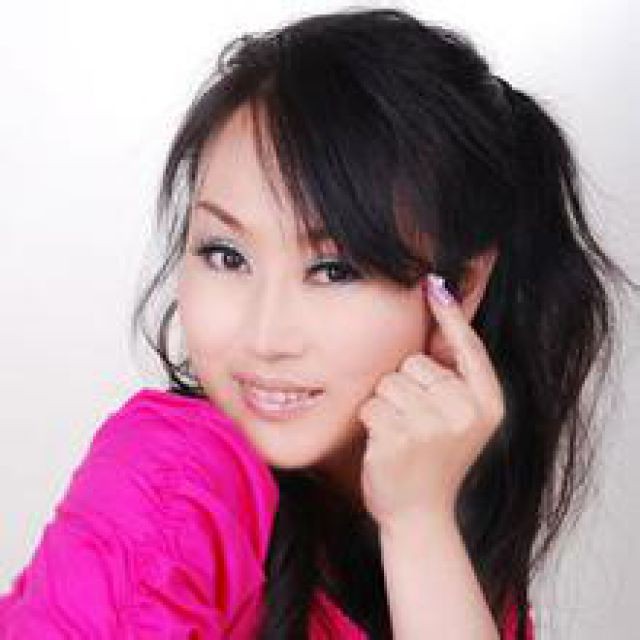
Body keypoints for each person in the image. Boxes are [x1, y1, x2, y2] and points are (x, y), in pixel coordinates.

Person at [1, 7, 637, 639]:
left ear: (459, 288)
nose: (265, 337)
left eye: (334, 270)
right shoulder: (173, 482)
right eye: (227, 256)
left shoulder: (439, 509)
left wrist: (418, 523)